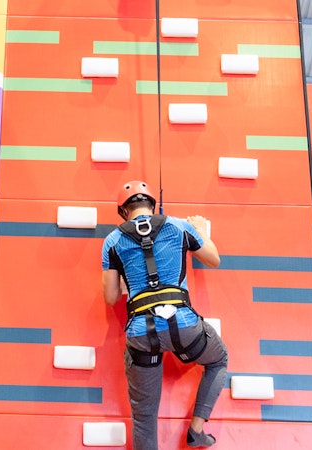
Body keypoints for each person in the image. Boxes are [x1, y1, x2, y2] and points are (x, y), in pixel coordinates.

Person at [101, 181, 228, 450]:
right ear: (152, 205)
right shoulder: (180, 226)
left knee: (144, 417)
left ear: (123, 211)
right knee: (218, 360)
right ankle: (196, 430)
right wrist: (202, 231)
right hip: (184, 325)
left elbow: (111, 297)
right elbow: (214, 258)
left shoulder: (112, 241)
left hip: (141, 333)